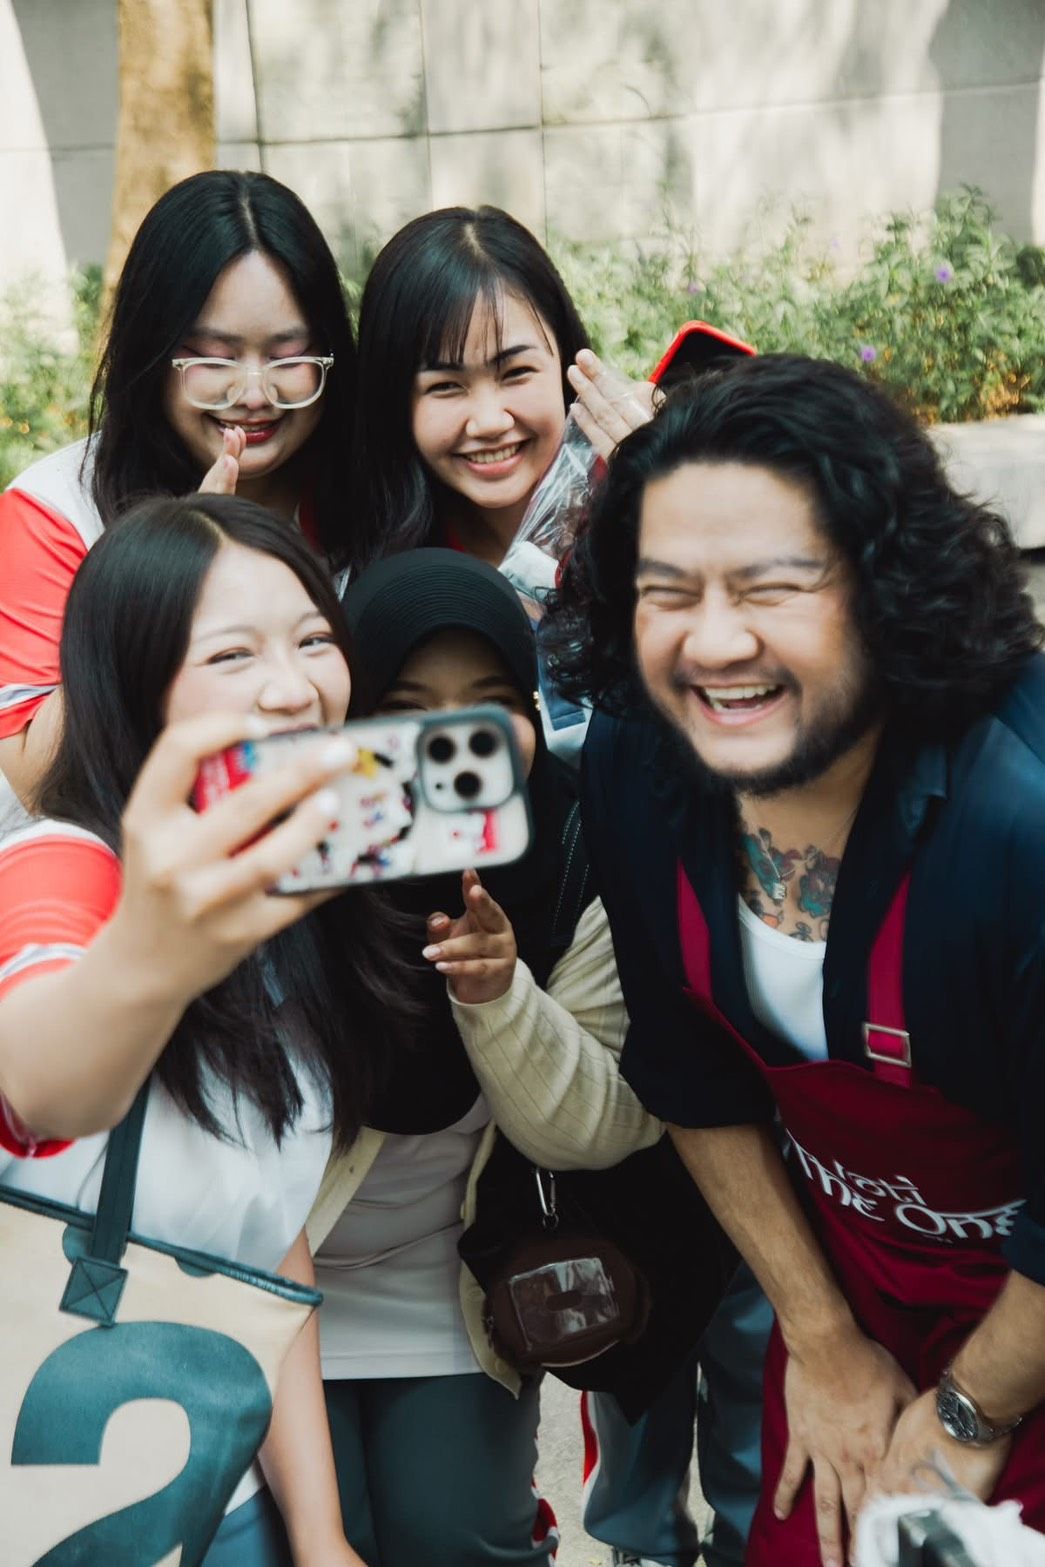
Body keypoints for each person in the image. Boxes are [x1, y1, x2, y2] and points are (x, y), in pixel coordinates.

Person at [544, 354, 1045, 1567]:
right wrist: (821, 1339)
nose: (715, 643)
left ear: (886, 585)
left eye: (772, 586)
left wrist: (969, 1412)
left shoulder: (1016, 826)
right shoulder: (639, 761)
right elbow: (688, 1070)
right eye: (667, 591)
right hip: (846, 1298)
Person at [349, 206, 770, 1567]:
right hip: (529, 1042)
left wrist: (667, 483)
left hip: (718, 987)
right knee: (611, 1347)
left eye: (515, 369)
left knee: (760, 1353)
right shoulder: (376, 590)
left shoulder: (647, 507)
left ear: (570, 363)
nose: (487, 416)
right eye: (442, 381)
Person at [0, 492, 421, 1564]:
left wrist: (320, 1532)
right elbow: (44, 1087)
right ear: (130, 682)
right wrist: (156, 957)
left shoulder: (300, 906)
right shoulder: (58, 867)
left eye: (314, 639)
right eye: (232, 654)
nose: (293, 686)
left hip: (210, 1490)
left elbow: (261, 1235)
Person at [305, 547, 667, 1567]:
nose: (447, 738)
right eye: (405, 706)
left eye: (490, 702)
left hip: (452, 1281)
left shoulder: (580, 847)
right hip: (276, 1277)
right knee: (317, 1536)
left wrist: (498, 993)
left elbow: (597, 1128)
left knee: (452, 1534)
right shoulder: (285, 841)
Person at [0, 168, 356, 824]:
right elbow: (37, 780)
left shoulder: (369, 496)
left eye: (289, 356)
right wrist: (170, 568)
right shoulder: (55, 511)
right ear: (151, 352)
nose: (255, 393)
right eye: (214, 359)